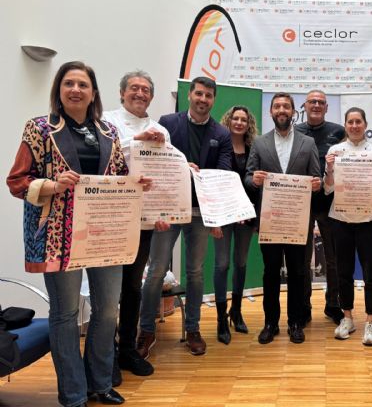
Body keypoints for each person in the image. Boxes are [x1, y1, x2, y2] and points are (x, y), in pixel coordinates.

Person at [7, 61, 149, 407]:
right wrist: (51, 185)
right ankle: (73, 394)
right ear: (58, 90)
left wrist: (135, 184)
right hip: (58, 236)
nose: (75, 90)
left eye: (83, 85)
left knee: (107, 311)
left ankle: (100, 383)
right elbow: (17, 181)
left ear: (93, 93)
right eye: (68, 83)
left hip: (104, 234)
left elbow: (118, 176)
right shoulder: (40, 128)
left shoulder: (109, 132)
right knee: (66, 315)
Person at [137, 76, 232, 357]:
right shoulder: (167, 123)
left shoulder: (222, 133)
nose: (203, 99)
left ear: (214, 100)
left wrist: (215, 217)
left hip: (199, 213)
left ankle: (192, 328)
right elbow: (154, 160)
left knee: (195, 272)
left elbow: (224, 173)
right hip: (167, 210)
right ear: (189, 95)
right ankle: (146, 330)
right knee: (156, 270)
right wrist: (183, 168)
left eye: (208, 96)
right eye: (199, 94)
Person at [103, 70, 171, 381]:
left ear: (151, 97)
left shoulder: (160, 130)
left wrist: (164, 211)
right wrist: (137, 142)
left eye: (146, 89)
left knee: (132, 286)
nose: (140, 93)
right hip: (110, 215)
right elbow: (106, 158)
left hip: (143, 219)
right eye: (134, 88)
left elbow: (165, 173)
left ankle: (127, 349)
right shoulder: (106, 121)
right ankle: (105, 355)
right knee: (107, 288)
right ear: (122, 93)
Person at [244, 93, 322, 345]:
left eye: (286, 106)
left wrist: (317, 184)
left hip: (298, 221)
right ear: (271, 111)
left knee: (298, 272)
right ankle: (271, 323)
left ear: (293, 111)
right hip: (270, 221)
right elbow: (248, 177)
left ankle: (296, 322)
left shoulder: (308, 143)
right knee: (270, 273)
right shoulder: (259, 142)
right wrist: (254, 180)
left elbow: (317, 178)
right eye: (277, 106)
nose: (281, 110)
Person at [325, 107, 372, 346]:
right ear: (345, 125)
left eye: (358, 121)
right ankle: (347, 318)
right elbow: (328, 189)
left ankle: (371, 321)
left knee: (371, 273)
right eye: (350, 122)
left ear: (365, 125)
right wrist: (329, 169)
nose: (354, 126)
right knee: (343, 272)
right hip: (341, 219)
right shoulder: (335, 151)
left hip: (369, 221)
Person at [295, 89, 345, 325]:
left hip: (330, 204)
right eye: (312, 101)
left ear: (326, 108)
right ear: (304, 106)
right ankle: (304, 307)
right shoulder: (294, 132)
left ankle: (333, 304)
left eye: (321, 102)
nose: (316, 105)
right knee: (302, 259)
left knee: (333, 259)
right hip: (300, 204)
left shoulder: (339, 131)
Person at [217, 105, 260, 342]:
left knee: (241, 263)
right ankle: (221, 318)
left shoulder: (254, 149)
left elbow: (255, 185)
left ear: (248, 124)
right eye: (235, 118)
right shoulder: (220, 146)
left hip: (246, 214)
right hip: (224, 214)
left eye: (244, 119)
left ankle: (236, 311)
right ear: (229, 120)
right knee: (222, 264)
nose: (239, 123)